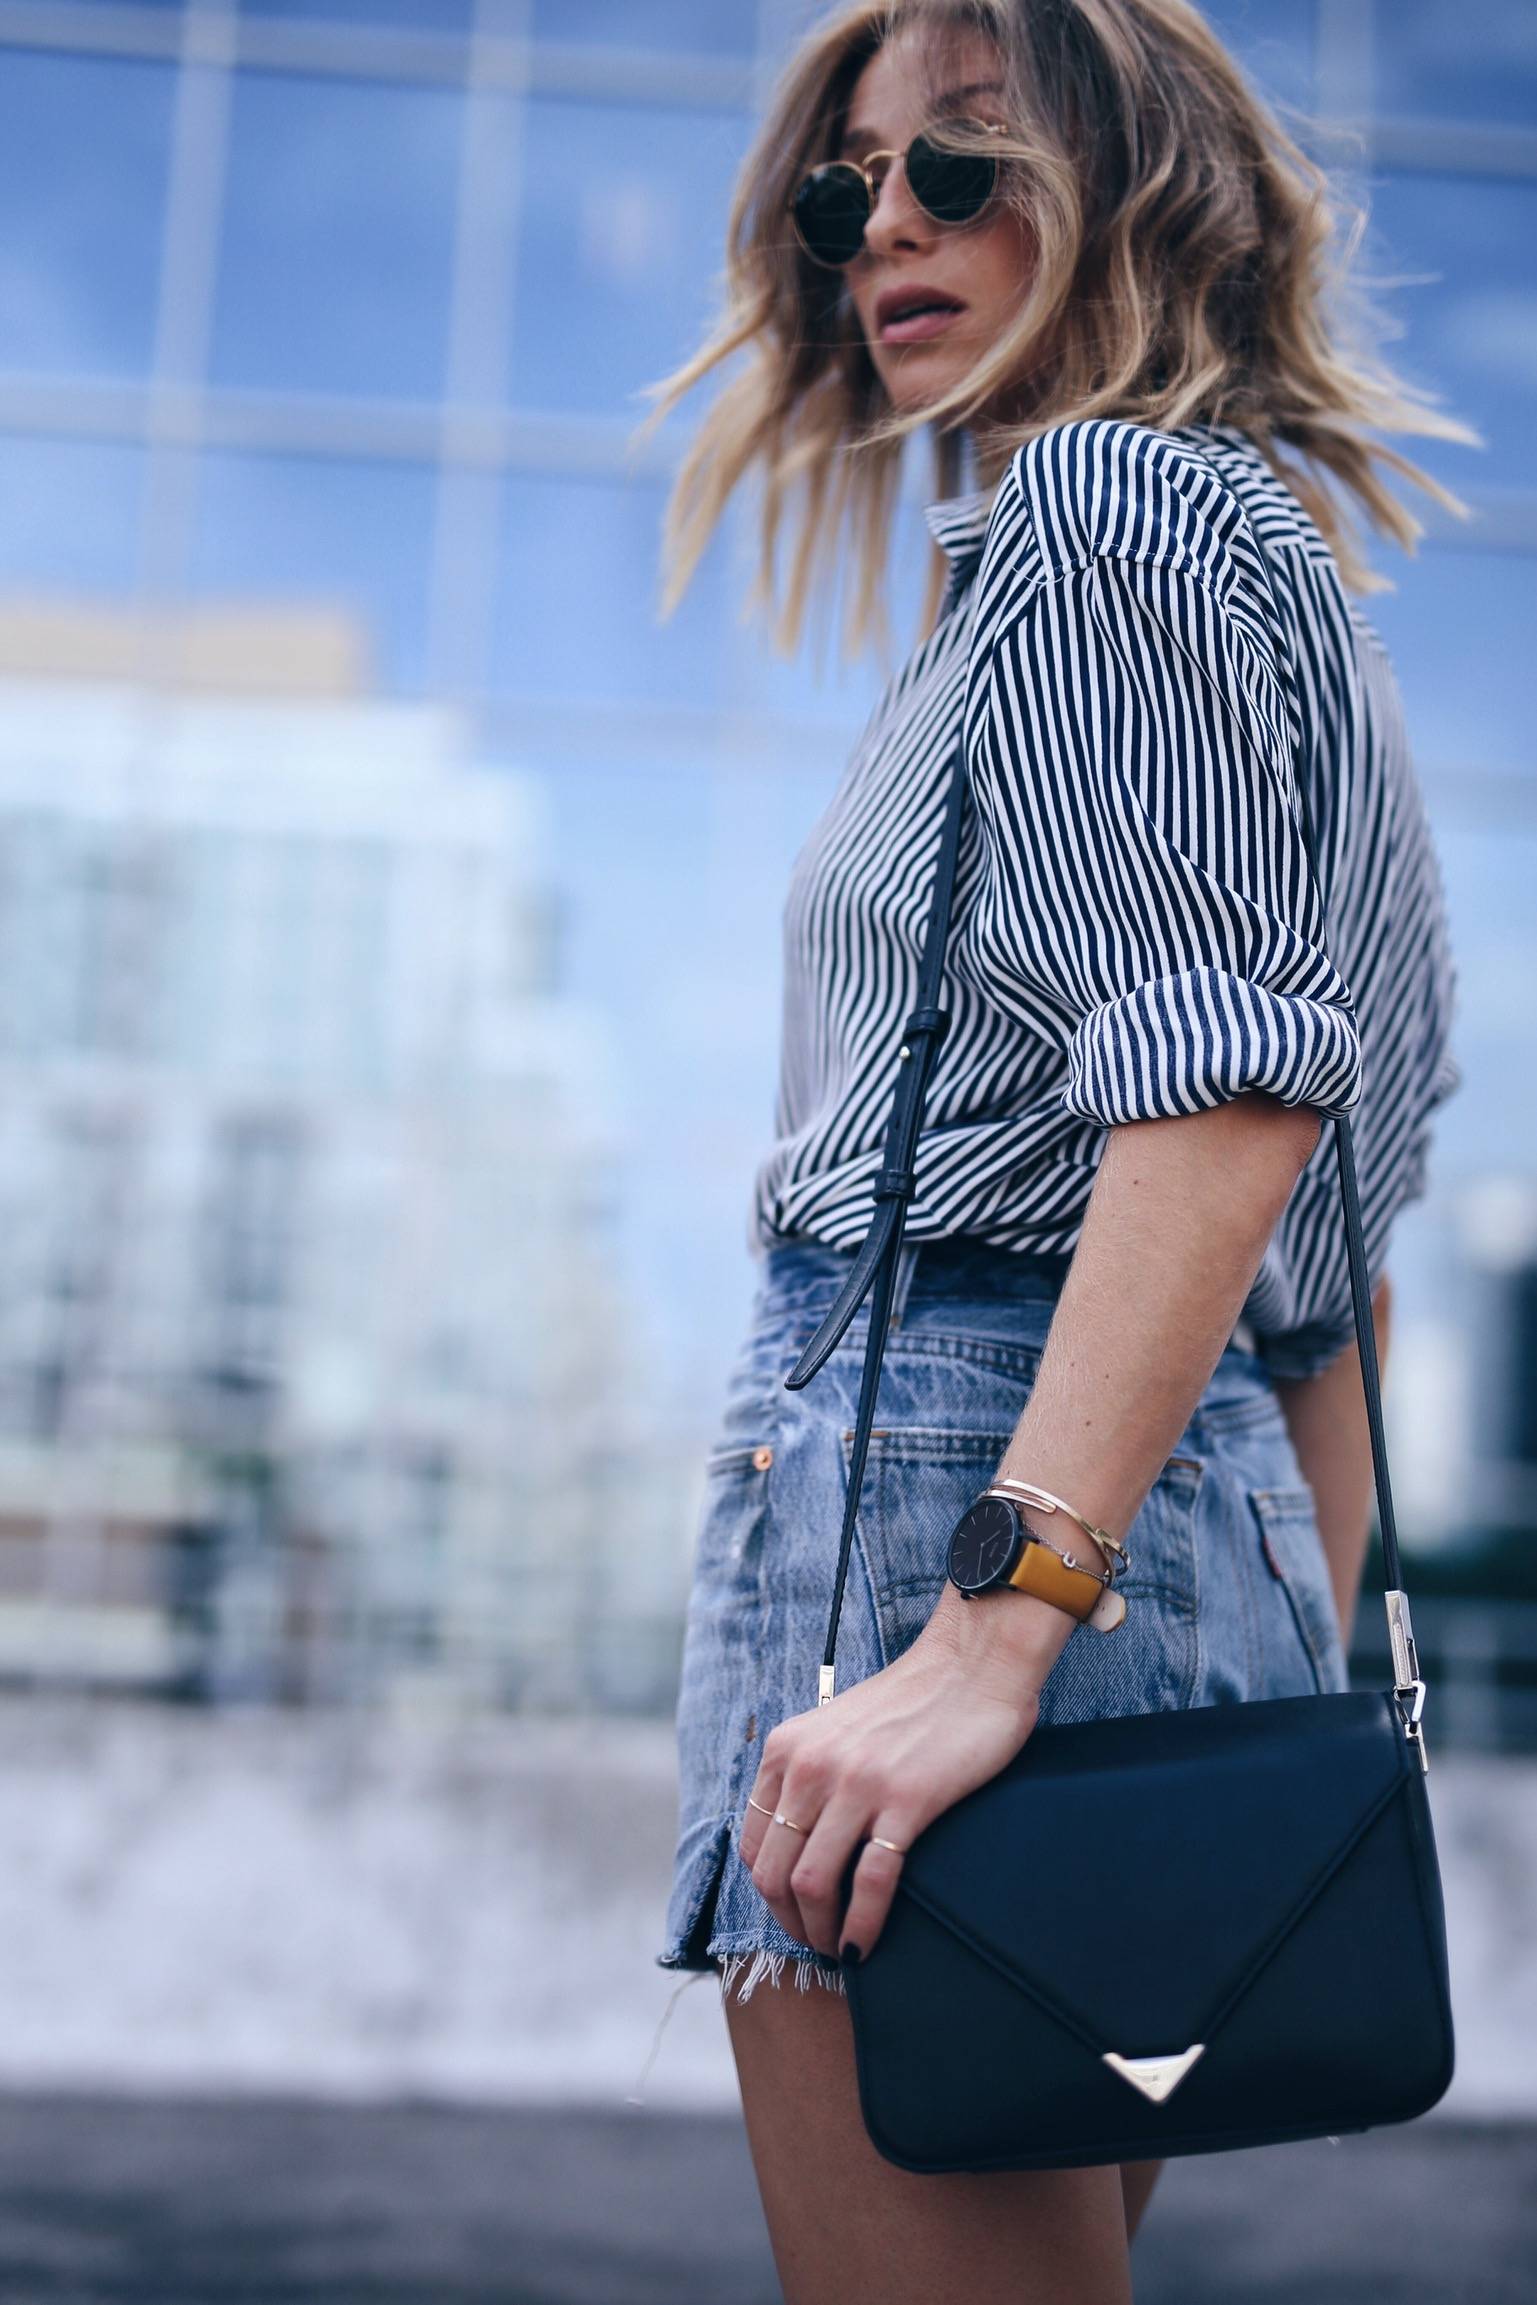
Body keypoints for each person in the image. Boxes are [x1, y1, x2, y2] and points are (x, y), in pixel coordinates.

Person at [639, 3, 1469, 2297]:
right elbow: (1328, 1274)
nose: (881, 225)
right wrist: (1224, 1668)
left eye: (958, 166)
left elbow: (1223, 1102)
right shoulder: (1271, 579)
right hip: (1119, 1513)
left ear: (1132, 185)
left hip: (949, 1492)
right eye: (845, 193)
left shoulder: (1109, 508)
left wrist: (995, 1630)